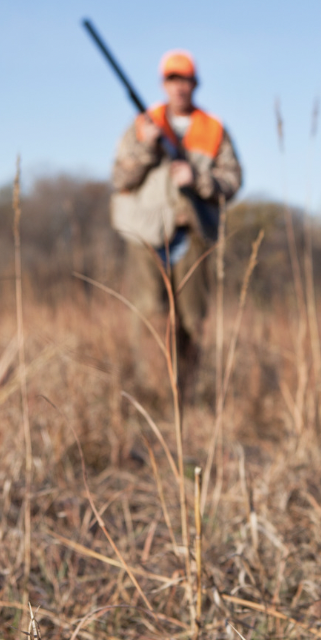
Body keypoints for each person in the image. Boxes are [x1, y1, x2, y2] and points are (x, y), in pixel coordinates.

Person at [110, 49, 242, 402]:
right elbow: (119, 177)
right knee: (152, 315)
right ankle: (156, 397)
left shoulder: (212, 128)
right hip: (146, 234)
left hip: (192, 233)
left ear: (194, 83)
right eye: (172, 79)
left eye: (185, 79)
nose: (179, 86)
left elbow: (232, 181)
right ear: (163, 84)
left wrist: (198, 179)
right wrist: (146, 149)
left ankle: (185, 393)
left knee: (191, 320)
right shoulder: (144, 125)